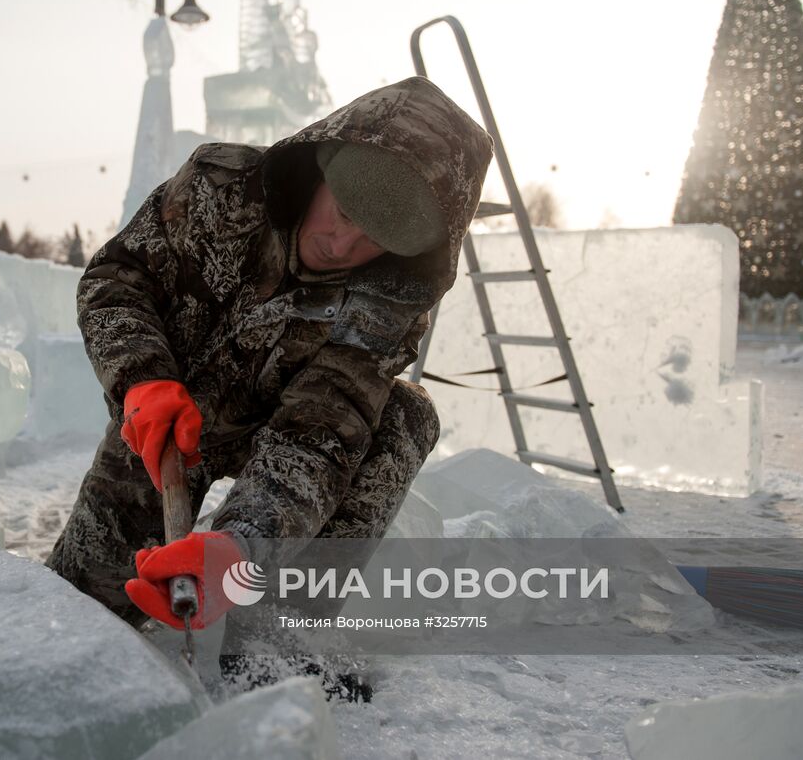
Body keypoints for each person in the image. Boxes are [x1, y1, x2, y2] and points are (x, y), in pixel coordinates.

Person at [45, 76, 493, 695]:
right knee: (75, 614)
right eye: (342, 212)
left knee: (403, 416)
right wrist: (141, 380)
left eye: (373, 240)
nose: (342, 244)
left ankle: (274, 634)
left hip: (280, 426)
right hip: (169, 421)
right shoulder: (219, 190)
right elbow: (118, 278)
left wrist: (240, 547)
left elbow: (320, 433)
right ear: (321, 168)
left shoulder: (389, 298)